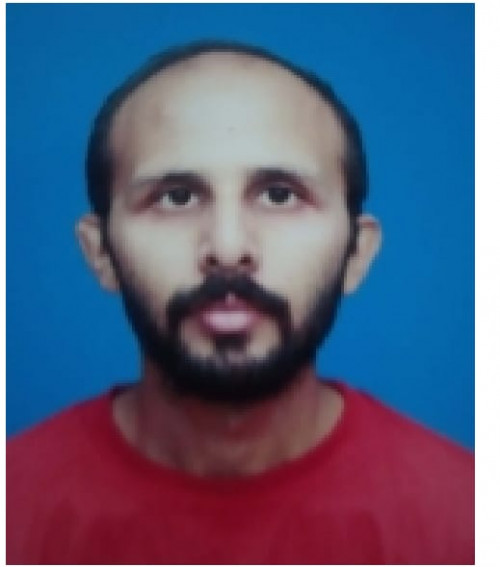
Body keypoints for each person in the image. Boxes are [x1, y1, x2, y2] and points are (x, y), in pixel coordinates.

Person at [7, 40, 474, 565]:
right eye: (176, 197)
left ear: (356, 253)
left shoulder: (472, 520)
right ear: (101, 253)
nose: (228, 250)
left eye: (279, 195)